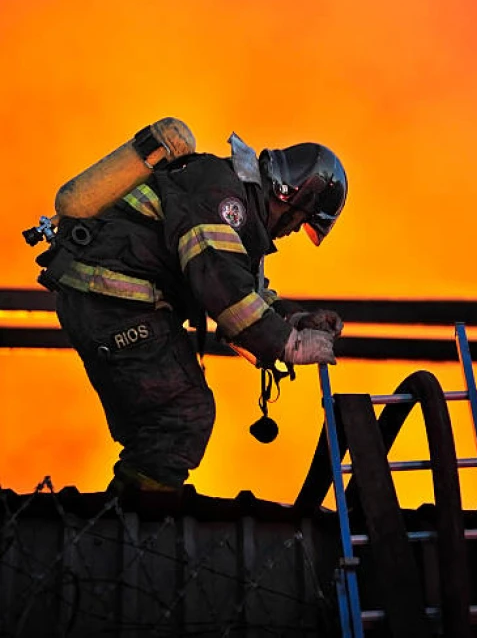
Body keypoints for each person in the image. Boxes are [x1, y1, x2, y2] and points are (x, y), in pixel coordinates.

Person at [35, 132, 348, 501]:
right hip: (115, 302)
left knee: (160, 429)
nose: (294, 231)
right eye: (301, 220)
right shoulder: (223, 196)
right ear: (295, 197)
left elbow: (244, 291)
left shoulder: (232, 201)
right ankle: (135, 523)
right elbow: (221, 285)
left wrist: (297, 321)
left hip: (106, 303)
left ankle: (128, 515)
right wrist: (288, 344)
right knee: (182, 416)